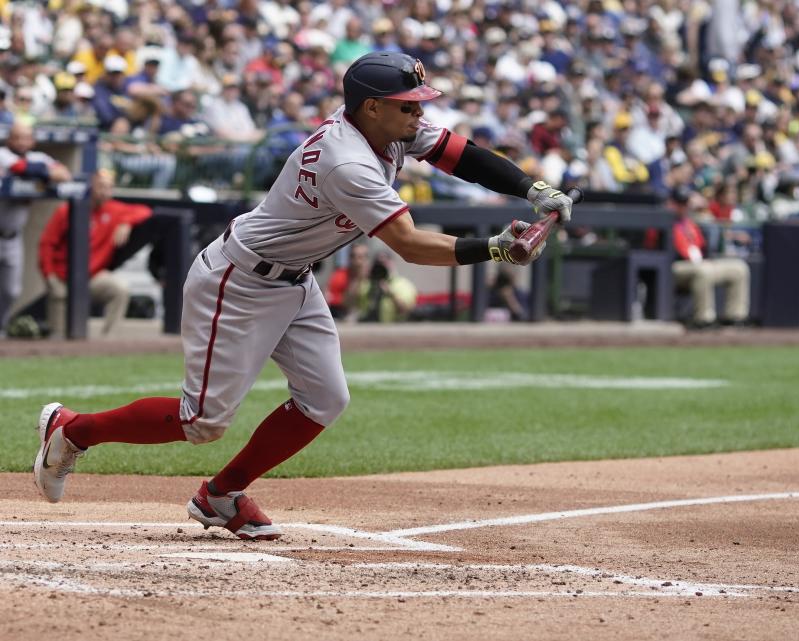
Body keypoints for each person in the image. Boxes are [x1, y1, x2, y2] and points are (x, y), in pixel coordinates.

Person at [32, 52, 575, 541]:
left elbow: (461, 154)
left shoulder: (385, 129)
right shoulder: (348, 162)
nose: (418, 115)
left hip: (295, 278)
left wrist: (532, 188)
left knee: (325, 399)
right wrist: (498, 250)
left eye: (417, 105)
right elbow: (408, 245)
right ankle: (72, 429)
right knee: (201, 422)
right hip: (240, 282)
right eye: (407, 106)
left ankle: (219, 496)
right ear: (371, 108)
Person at [38, 169, 152, 339]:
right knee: (59, 335)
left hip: (93, 275)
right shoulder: (66, 210)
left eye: (109, 187)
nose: (105, 192)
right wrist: (49, 275)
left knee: (119, 290)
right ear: (91, 186)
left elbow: (145, 211)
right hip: (63, 275)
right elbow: (47, 244)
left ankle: (108, 341)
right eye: (101, 187)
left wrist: (126, 222)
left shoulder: (115, 210)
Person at [0, 120, 72, 337]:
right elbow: (17, 167)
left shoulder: (37, 157)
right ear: (10, 138)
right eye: (17, 137)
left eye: (26, 137)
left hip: (13, 237)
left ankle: (0, 327)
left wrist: (37, 172)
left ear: (32, 141)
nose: (22, 142)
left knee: (11, 291)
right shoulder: (2, 153)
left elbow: (64, 174)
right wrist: (41, 174)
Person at [667, 186, 750, 329]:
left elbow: (702, 247)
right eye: (680, 203)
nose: (683, 206)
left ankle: (734, 317)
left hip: (698, 262)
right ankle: (704, 319)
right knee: (703, 271)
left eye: (686, 202)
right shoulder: (665, 221)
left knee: (739, 268)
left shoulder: (689, 223)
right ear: (672, 203)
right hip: (675, 265)